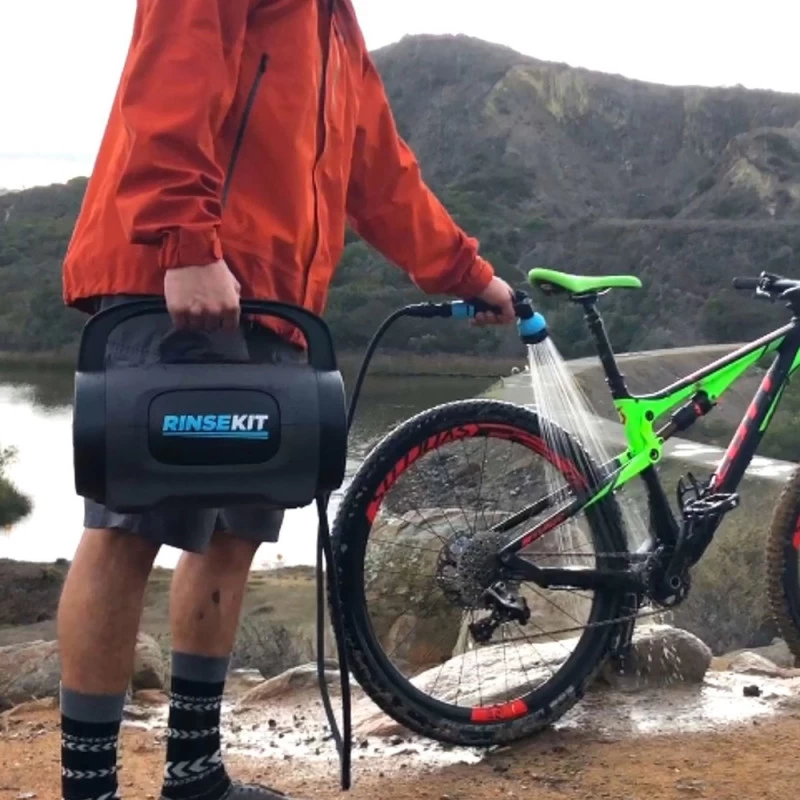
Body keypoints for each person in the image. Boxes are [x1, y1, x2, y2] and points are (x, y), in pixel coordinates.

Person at [59, 1, 516, 799]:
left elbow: (379, 173)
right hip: (176, 282)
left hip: (271, 303)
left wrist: (465, 273)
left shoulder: (334, 28)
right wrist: (184, 243)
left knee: (232, 534)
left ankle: (194, 774)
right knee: (127, 528)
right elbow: (172, 72)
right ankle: (89, 789)